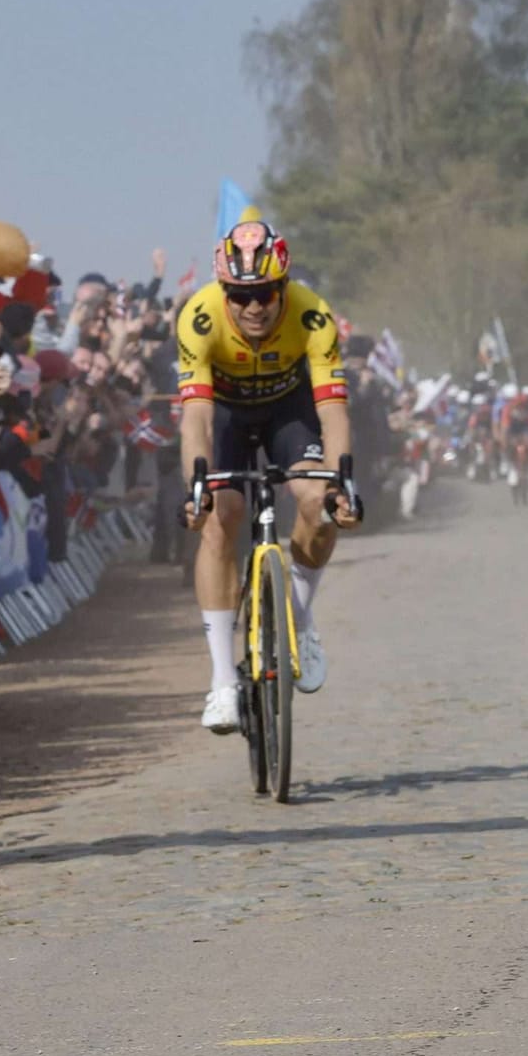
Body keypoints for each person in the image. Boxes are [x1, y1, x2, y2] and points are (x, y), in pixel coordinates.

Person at [178, 221, 359, 730]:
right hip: (228, 416)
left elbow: (334, 412)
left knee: (317, 505)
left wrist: (342, 483)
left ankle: (298, 620)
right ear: (224, 292)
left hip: (289, 412)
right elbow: (195, 418)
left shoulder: (313, 313)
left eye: (264, 294)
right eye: (240, 295)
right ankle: (220, 683)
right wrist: (196, 487)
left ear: (283, 287)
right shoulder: (198, 317)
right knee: (220, 517)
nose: (253, 307)